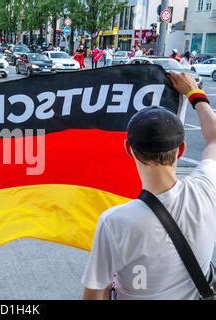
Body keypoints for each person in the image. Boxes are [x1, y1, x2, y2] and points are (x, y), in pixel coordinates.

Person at [82, 72, 216, 300]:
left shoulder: (115, 221)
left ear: (128, 149)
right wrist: (195, 93)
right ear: (181, 150)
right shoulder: (206, 188)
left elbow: (93, 295)